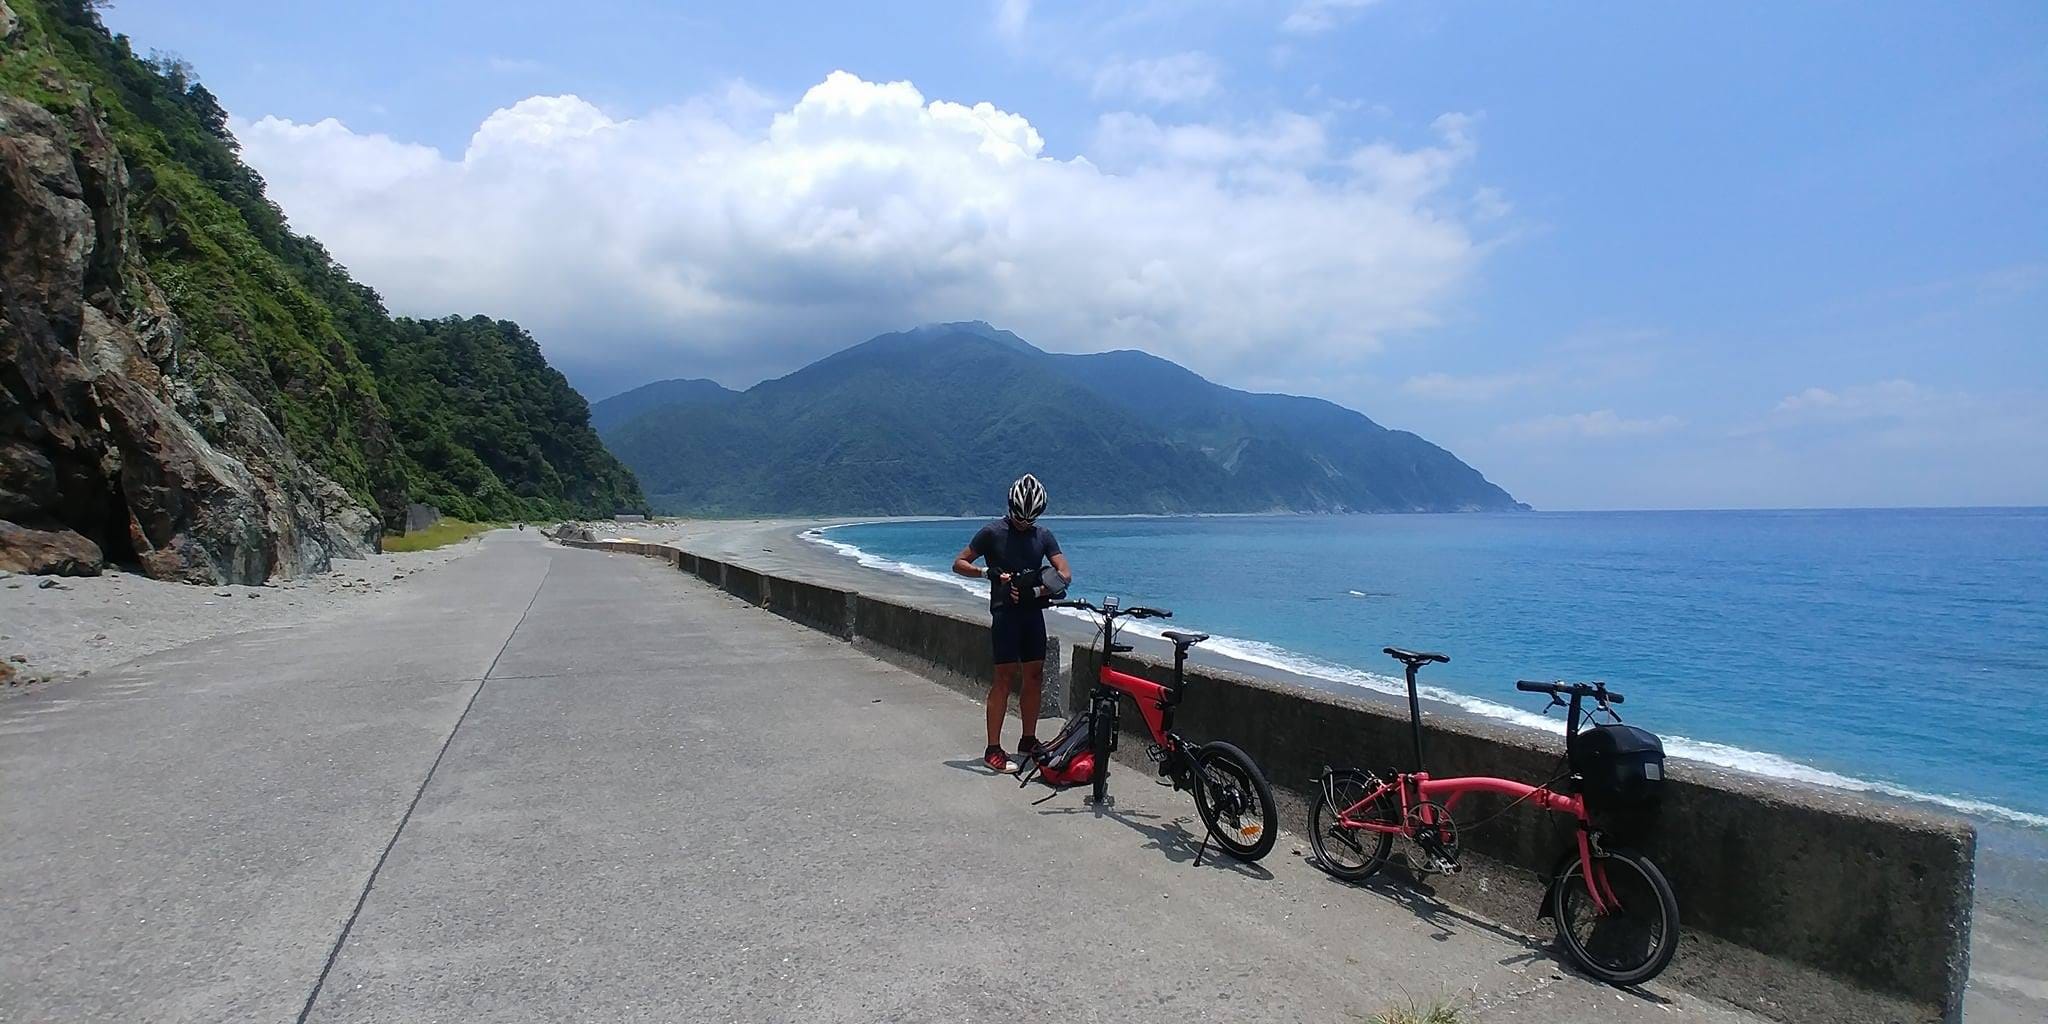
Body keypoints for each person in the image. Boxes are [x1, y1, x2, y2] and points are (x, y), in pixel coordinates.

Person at [953, 474, 1072, 773]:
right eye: (1020, 517)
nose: (1023, 523)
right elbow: (959, 563)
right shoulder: (992, 532)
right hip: (1005, 616)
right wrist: (987, 574)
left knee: (1034, 677)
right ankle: (993, 748)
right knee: (1003, 679)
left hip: (1033, 615)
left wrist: (1038, 589)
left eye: (1030, 518)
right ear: (1010, 507)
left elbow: (1065, 574)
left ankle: (1028, 740)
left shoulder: (1043, 535)